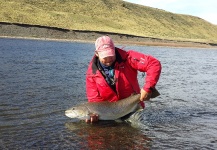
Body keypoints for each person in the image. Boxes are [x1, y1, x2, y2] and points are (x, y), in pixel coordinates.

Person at [85, 35, 161, 123]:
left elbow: (153, 64)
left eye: (111, 55)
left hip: (132, 108)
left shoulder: (128, 57)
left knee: (142, 126)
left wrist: (148, 88)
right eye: (105, 57)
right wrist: (94, 115)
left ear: (114, 50)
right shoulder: (91, 73)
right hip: (109, 115)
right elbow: (95, 100)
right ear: (97, 53)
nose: (109, 60)